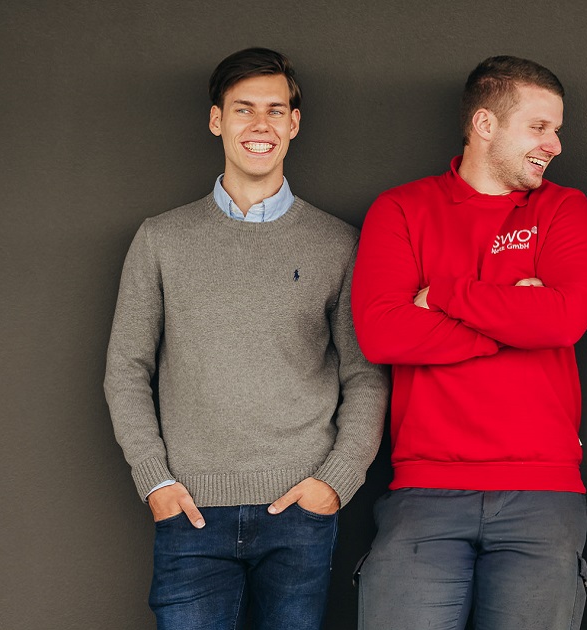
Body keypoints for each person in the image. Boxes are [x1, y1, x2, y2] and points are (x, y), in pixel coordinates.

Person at [103, 47, 389, 630]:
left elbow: (366, 375)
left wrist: (334, 484)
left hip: (300, 513)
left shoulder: (338, 244)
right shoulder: (161, 239)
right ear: (217, 120)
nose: (261, 125)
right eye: (243, 109)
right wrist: (155, 481)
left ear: (294, 123)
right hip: (190, 512)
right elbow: (126, 369)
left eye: (275, 110)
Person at [350, 55, 587, 630]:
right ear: (485, 124)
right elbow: (382, 333)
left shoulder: (564, 209)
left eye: (556, 129)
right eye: (539, 127)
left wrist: (443, 292)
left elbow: (563, 321)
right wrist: (514, 320)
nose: (555, 145)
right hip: (424, 489)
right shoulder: (401, 209)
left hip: (542, 493)